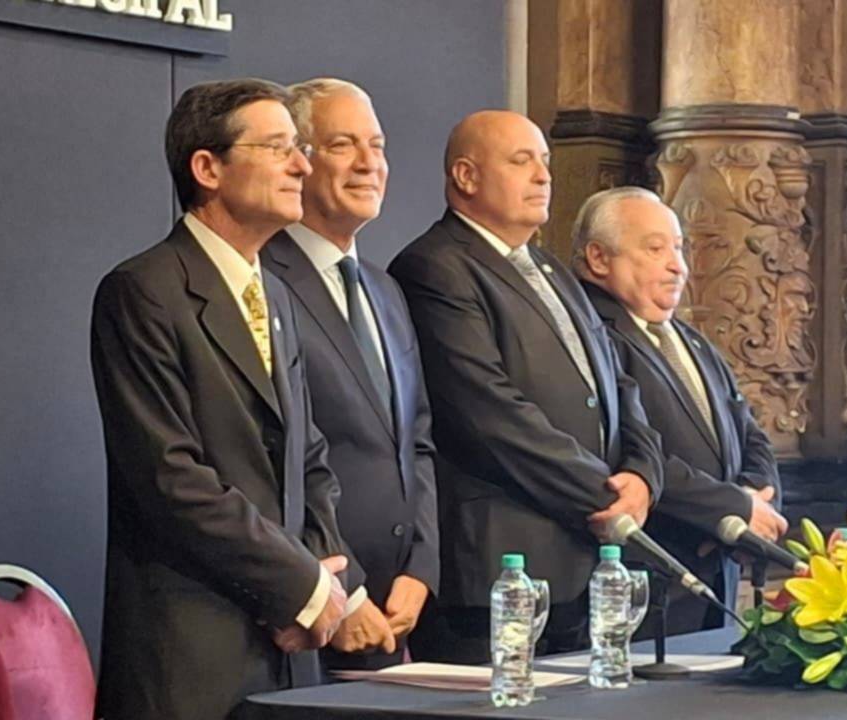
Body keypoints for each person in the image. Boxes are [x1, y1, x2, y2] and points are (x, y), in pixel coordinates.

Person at [90, 79, 362, 720]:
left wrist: (320, 582)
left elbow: (309, 459)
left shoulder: (277, 295)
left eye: (300, 148)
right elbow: (171, 479)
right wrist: (299, 587)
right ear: (208, 168)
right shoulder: (143, 291)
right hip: (190, 655)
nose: (302, 166)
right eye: (278, 148)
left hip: (288, 651)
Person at [387, 110, 664, 663]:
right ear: (466, 176)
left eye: (545, 162)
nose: (543, 176)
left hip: (584, 569)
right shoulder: (434, 267)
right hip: (497, 577)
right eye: (521, 161)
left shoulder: (551, 269)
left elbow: (618, 384)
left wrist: (642, 475)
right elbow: (488, 414)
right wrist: (607, 496)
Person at [261, 78, 438, 670]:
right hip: (316, 611)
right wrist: (348, 590)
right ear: (298, 160)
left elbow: (416, 440)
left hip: (397, 609)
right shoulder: (263, 278)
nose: (369, 163)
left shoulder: (385, 290)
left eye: (377, 146)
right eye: (343, 145)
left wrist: (421, 567)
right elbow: (278, 459)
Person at [572, 186, 786, 634]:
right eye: (655, 249)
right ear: (598, 258)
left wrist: (754, 503)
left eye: (678, 248)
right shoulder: (591, 337)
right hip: (650, 585)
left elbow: (749, 431)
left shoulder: (689, 340)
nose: (678, 265)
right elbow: (626, 452)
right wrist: (731, 508)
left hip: (717, 579)